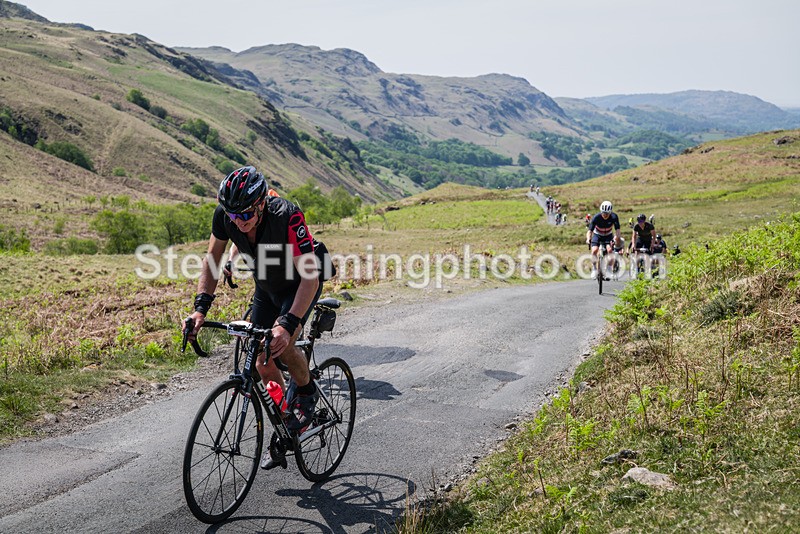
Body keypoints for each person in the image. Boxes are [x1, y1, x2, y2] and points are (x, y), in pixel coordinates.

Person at [185, 165, 324, 470]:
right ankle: (285, 416)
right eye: (234, 217)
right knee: (260, 358)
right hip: (266, 287)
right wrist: (200, 308)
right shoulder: (226, 216)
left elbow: (309, 279)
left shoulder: (287, 216)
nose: (240, 223)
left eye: (246, 215)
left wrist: (288, 325)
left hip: (299, 284)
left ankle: (307, 391)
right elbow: (211, 263)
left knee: (280, 342)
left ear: (261, 203)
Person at [585, 200, 621, 280]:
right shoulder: (596, 217)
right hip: (597, 235)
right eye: (603, 213)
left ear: (610, 212)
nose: (604, 215)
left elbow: (617, 230)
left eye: (607, 214)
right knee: (594, 251)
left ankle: (608, 269)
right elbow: (590, 231)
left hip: (608, 235)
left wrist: (616, 238)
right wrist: (588, 239)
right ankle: (594, 269)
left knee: (610, 251)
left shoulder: (614, 217)